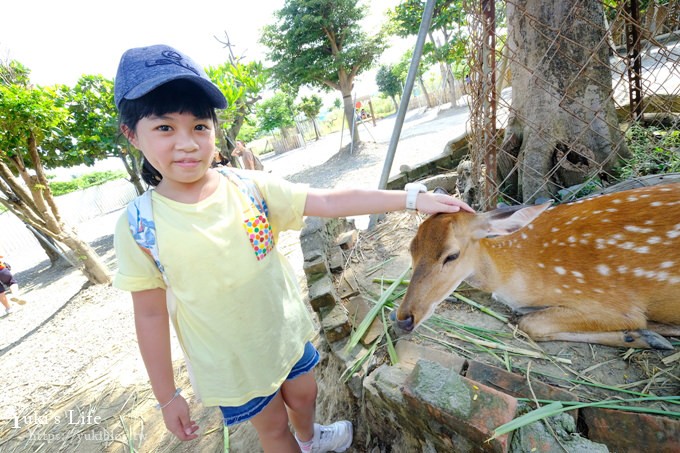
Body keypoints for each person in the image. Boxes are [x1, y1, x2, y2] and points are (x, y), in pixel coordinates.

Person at [112, 44, 473, 453]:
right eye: (164, 128)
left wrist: (409, 199)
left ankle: (311, 438)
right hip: (234, 366)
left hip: (283, 335)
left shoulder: (247, 187)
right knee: (273, 431)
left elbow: (329, 201)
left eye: (199, 126)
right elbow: (150, 314)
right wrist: (167, 396)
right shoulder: (140, 226)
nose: (188, 143)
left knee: (305, 395)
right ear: (131, 134)